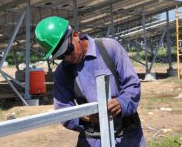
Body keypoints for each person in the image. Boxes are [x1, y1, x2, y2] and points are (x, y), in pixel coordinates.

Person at [35, 16, 145, 147]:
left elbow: (132, 85)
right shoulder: (63, 72)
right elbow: (63, 110)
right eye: (61, 56)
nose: (69, 58)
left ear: (75, 35)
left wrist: (121, 103)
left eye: (68, 50)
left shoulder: (109, 48)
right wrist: (82, 116)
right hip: (92, 139)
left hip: (128, 137)